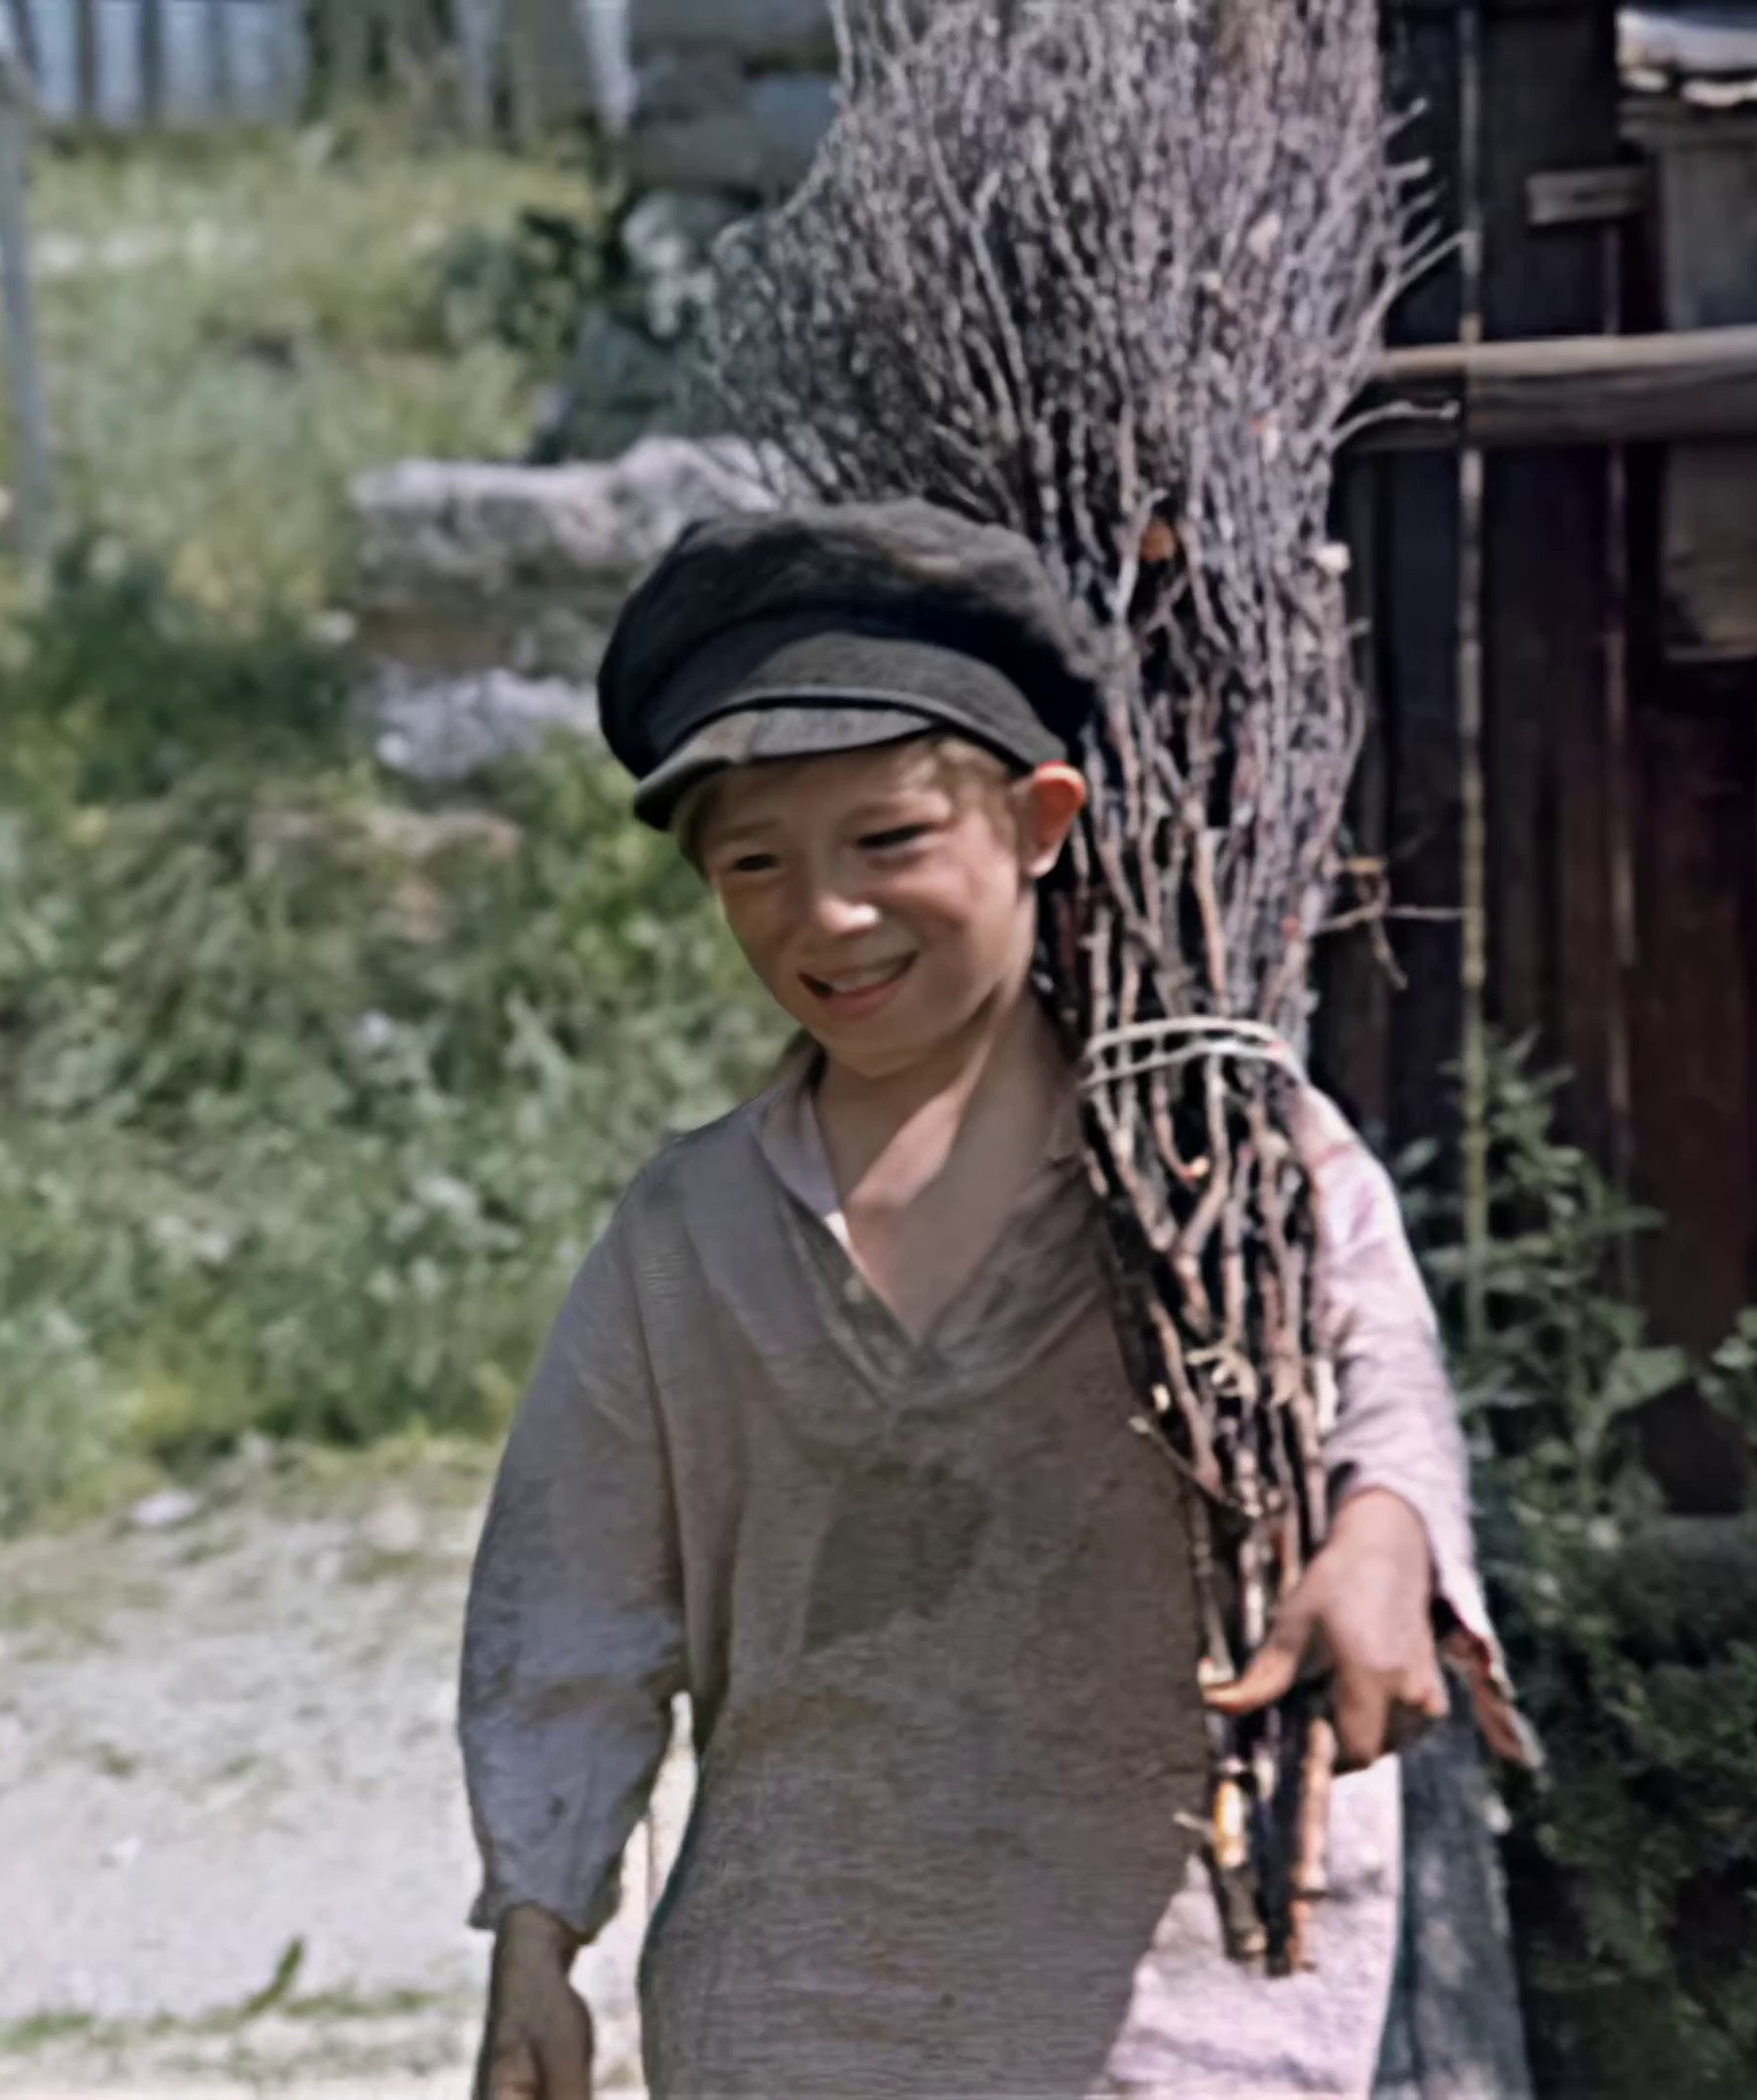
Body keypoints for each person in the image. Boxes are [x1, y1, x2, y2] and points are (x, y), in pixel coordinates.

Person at [457, 502, 1524, 2099]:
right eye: (756, 864)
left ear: (1040, 819)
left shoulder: (1225, 1158)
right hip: (804, 1998)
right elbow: (573, 1597)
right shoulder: (689, 1235)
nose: (828, 914)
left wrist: (1384, 1537)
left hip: (1179, 1998)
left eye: (891, 842)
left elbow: (1385, 1382)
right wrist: (537, 1936)